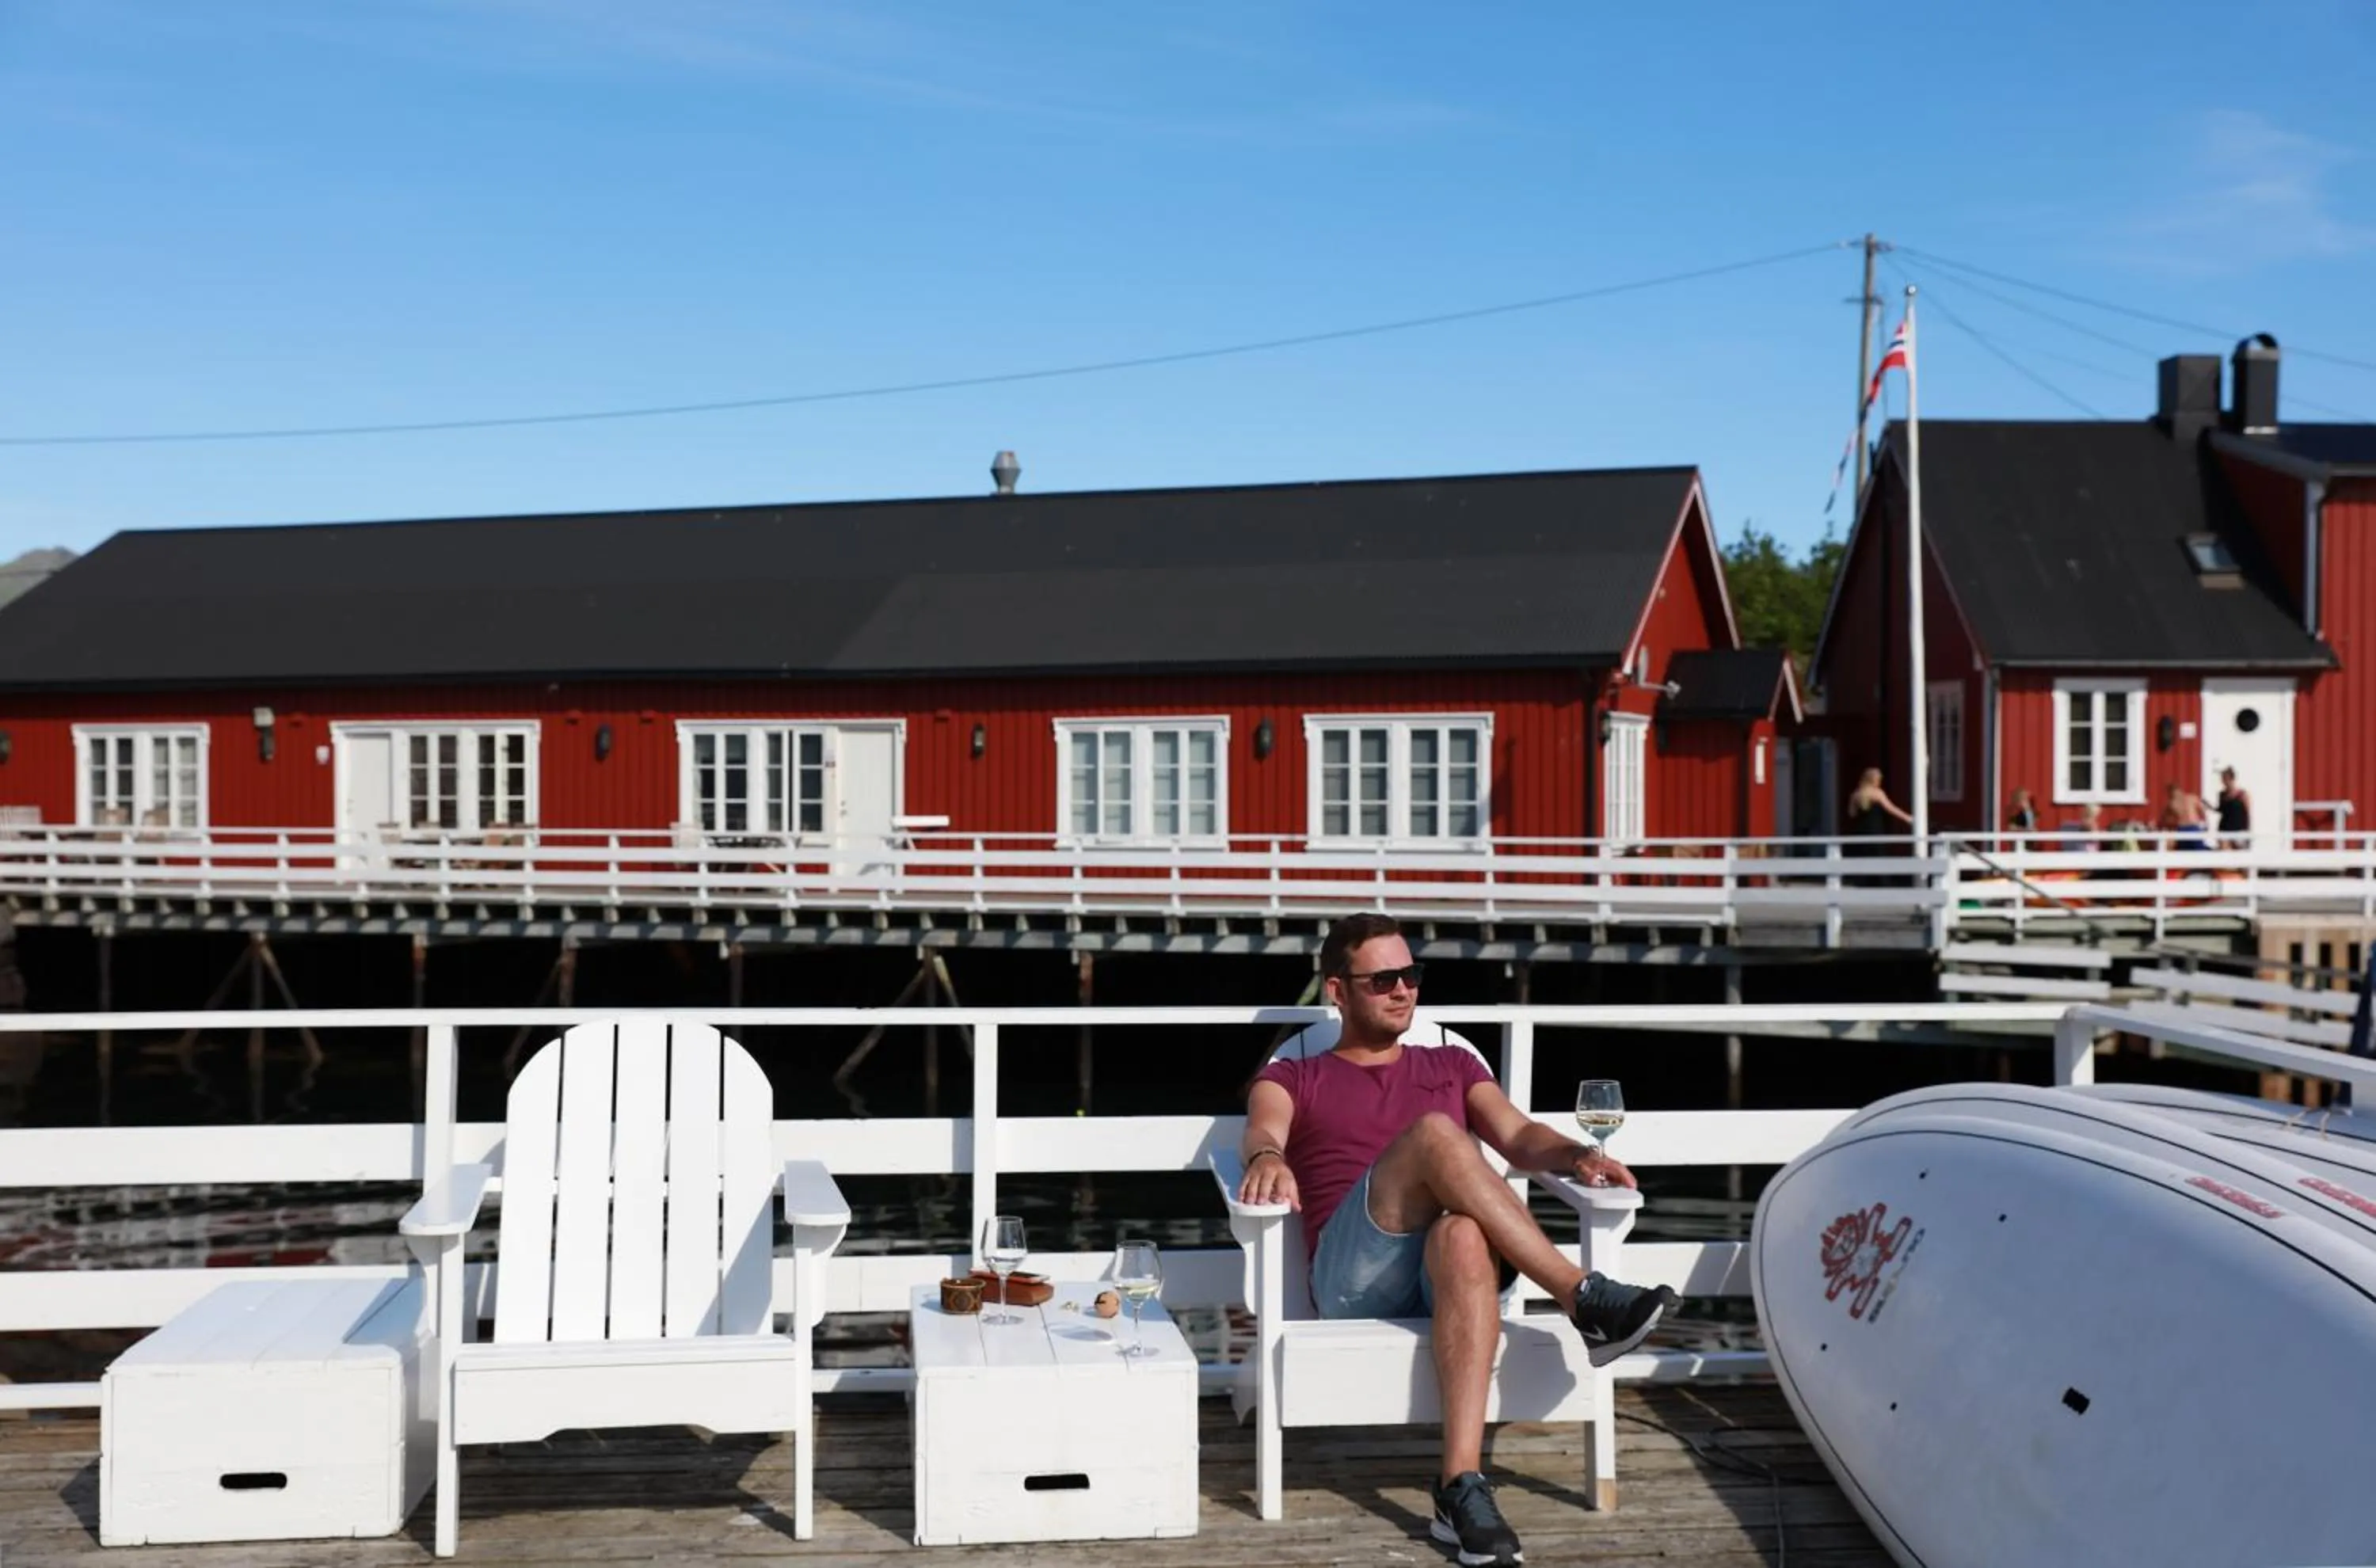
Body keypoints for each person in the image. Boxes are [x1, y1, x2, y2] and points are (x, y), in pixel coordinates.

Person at [1238, 912, 1677, 1568]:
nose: (1403, 990)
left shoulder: (1451, 1061)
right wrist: (1267, 1157)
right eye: (1383, 979)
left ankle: (1459, 1487)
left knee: (1465, 1233)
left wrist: (1578, 1155)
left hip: (1443, 1276)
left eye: (1411, 974)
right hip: (1352, 1279)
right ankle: (1582, 1296)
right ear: (1337, 991)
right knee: (1436, 1134)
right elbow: (1262, 1129)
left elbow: (1519, 1136)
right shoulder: (1296, 1075)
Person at [2161, 783, 2209, 850]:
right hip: (2188, 827)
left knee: (2188, 850)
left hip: (2187, 828)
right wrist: (2205, 823)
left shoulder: (2173, 803)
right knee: (2195, 850)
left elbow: (2165, 819)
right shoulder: (2191, 798)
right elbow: (2202, 810)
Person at [2214, 767, 2252, 845]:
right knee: (2224, 850)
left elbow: (2247, 813)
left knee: (2238, 850)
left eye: (2226, 779)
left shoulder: (2242, 794)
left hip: (2239, 830)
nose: (2224, 781)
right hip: (2224, 829)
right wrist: (2209, 807)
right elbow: (2221, 810)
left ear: (2232, 779)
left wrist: (2248, 833)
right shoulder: (2222, 794)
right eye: (2223, 779)